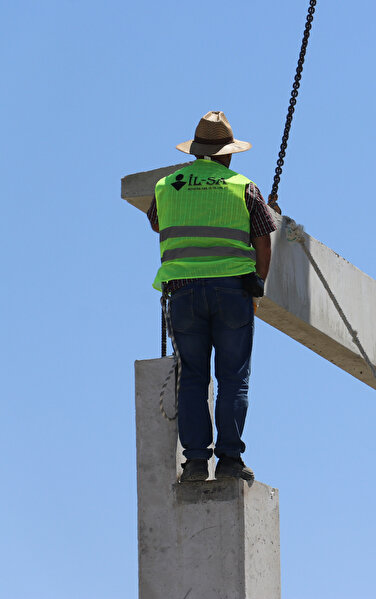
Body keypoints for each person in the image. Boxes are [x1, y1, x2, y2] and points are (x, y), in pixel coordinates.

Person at [147, 111, 276, 483]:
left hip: (183, 293)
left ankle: (195, 463)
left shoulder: (167, 185)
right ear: (228, 153)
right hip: (232, 292)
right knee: (233, 379)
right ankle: (231, 461)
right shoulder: (243, 186)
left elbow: (157, 222)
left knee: (192, 379)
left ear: (197, 151)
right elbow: (263, 240)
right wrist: (258, 281)